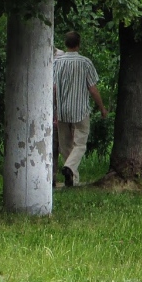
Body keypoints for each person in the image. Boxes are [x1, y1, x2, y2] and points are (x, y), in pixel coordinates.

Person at [53, 31, 107, 187]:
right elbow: (92, 88)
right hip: (80, 110)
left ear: (66, 44)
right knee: (80, 143)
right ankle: (69, 168)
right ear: (78, 44)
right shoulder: (85, 62)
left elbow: (54, 87)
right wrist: (101, 107)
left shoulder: (58, 62)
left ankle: (72, 178)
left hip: (61, 110)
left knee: (65, 145)